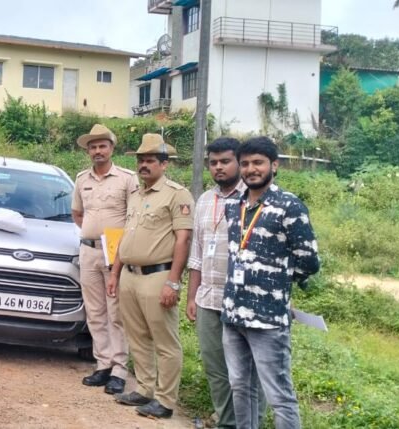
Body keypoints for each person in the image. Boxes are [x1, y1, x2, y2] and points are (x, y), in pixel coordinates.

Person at [221, 137, 319, 429]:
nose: (251, 169)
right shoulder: (234, 205)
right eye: (245, 163)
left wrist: (277, 280)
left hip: (268, 319)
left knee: (279, 395)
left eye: (258, 163)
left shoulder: (290, 206)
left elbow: (309, 261)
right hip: (233, 314)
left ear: (274, 165)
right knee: (240, 387)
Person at [110, 134, 193, 419]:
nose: (143, 165)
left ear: (164, 164)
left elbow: (183, 239)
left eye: (150, 160)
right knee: (137, 336)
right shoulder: (136, 194)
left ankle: (165, 401)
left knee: (165, 342)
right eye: (140, 160)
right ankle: (144, 389)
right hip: (129, 275)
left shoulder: (177, 194)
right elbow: (125, 237)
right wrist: (115, 273)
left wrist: (173, 281)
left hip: (158, 276)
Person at [187, 137, 264, 427]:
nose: (218, 167)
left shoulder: (254, 198)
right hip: (208, 299)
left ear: (238, 163)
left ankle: (251, 423)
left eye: (225, 161)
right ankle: (227, 421)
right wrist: (191, 296)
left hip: (245, 301)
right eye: (213, 162)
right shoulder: (205, 200)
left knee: (247, 373)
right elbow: (197, 253)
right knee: (216, 368)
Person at [70, 124, 137, 394]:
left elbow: (134, 218)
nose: (98, 151)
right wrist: (93, 233)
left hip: (116, 253)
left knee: (116, 312)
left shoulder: (127, 179)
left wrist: (117, 247)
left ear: (112, 148)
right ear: (88, 151)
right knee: (95, 311)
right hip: (88, 251)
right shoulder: (81, 179)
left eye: (102, 146)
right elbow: (77, 214)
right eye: (93, 147)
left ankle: (119, 369)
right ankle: (103, 364)